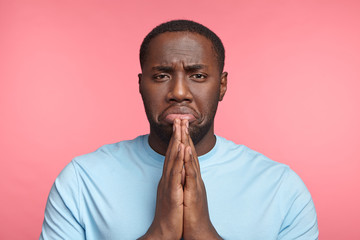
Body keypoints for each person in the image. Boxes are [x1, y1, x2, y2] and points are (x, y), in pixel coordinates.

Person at [40, 20, 318, 239]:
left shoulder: (282, 187)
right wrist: (160, 233)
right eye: (161, 76)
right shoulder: (81, 180)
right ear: (140, 85)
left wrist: (202, 233)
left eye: (198, 76)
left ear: (221, 86)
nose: (179, 92)